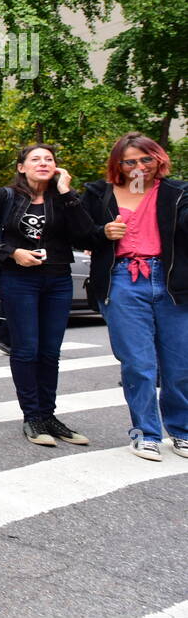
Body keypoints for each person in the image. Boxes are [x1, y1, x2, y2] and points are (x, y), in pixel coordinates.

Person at [0, 144, 97, 448]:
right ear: (21, 167)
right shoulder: (5, 196)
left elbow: (87, 235)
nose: (43, 163)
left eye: (49, 159)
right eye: (35, 159)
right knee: (26, 349)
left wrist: (67, 193)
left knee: (50, 352)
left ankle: (49, 415)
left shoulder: (64, 199)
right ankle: (32, 416)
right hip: (18, 280)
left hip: (58, 281)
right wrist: (12, 252)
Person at [81, 133, 188, 461]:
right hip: (124, 281)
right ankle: (145, 433)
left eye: (146, 159)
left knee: (179, 365)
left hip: (171, 284)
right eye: (130, 161)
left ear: (159, 159)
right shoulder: (99, 194)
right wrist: (102, 232)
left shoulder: (178, 192)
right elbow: (79, 234)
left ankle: (182, 432)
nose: (139, 166)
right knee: (138, 364)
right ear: (118, 164)